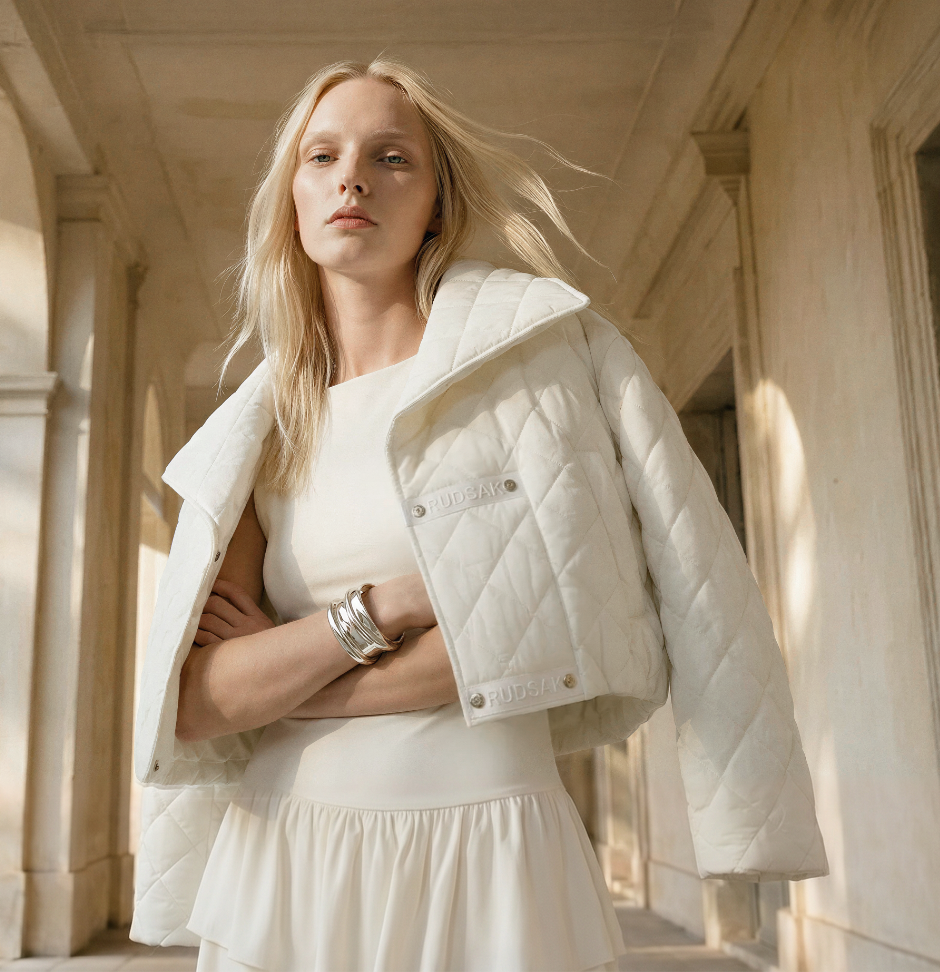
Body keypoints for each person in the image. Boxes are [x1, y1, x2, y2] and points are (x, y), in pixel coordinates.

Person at [128, 56, 829, 972]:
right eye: (323, 157)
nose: (352, 179)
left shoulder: (539, 367)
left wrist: (292, 679)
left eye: (391, 158)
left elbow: (529, 646)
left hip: (490, 846)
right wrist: (390, 608)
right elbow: (197, 703)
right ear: (292, 206)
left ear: (438, 208)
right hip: (289, 856)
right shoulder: (259, 430)